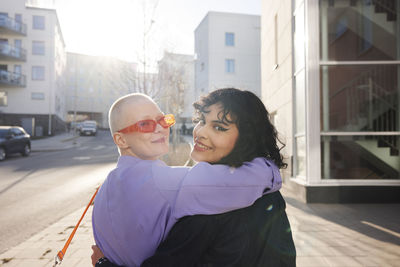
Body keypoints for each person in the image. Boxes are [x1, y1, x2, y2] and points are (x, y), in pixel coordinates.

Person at [92, 89, 296, 266]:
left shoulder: (210, 208)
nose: (200, 132)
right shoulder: (261, 196)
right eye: (202, 121)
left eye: (219, 127)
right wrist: (269, 169)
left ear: (247, 138)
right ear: (120, 139)